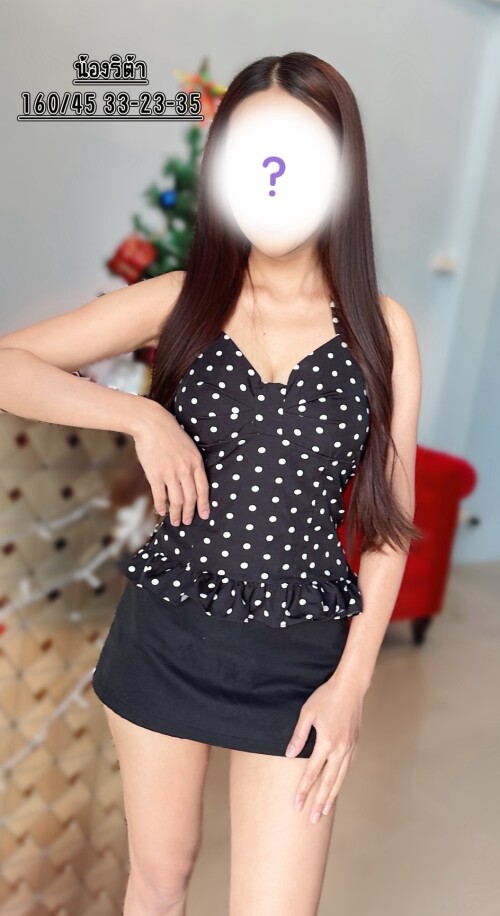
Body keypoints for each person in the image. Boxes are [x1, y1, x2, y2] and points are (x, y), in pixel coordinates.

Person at [0, 51, 421, 916]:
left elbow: (388, 527)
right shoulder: (182, 298)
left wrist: (350, 686)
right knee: (159, 886)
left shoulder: (383, 331)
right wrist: (141, 417)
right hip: (167, 637)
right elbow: (10, 364)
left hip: (301, 664)